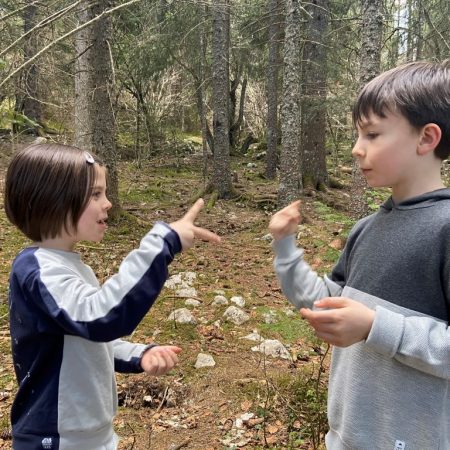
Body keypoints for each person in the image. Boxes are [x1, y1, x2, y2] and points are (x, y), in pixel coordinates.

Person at [269, 60, 450, 449]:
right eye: (357, 134)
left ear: (426, 138)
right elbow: (326, 303)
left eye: (372, 134)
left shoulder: (445, 229)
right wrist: (284, 247)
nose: (356, 148)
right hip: (346, 437)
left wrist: (373, 326)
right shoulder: (366, 228)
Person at [4, 143, 220, 450]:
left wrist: (138, 355)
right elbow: (100, 318)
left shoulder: (69, 267)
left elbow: (83, 339)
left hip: (92, 435)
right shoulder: (38, 271)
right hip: (55, 440)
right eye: (95, 194)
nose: (108, 203)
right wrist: (163, 244)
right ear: (53, 199)